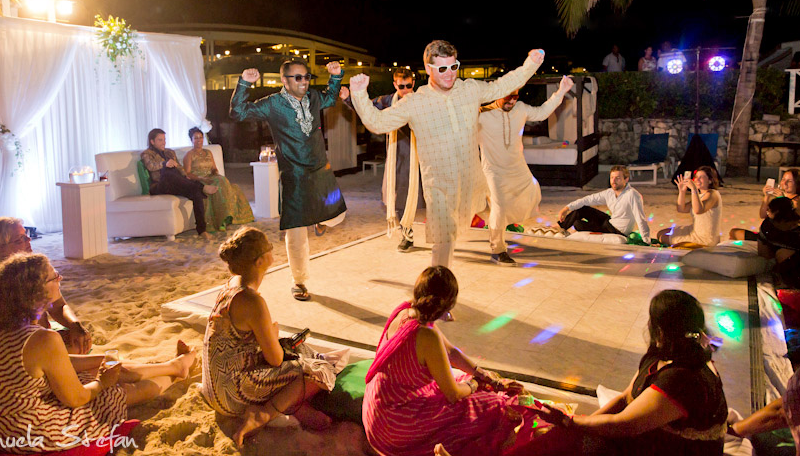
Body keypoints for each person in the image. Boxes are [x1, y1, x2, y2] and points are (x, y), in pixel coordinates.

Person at [0, 252, 197, 453]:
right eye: (55, 277)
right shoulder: (44, 338)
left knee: (102, 364)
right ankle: (175, 373)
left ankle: (174, 365)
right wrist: (103, 382)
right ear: (37, 290)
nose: (60, 279)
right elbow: (76, 398)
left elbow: (37, 366)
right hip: (30, 434)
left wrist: (99, 360)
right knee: (115, 392)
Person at [349, 41, 545, 267]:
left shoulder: (469, 89)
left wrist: (531, 63)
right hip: (440, 187)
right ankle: (436, 290)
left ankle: (497, 248)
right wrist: (359, 94)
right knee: (443, 244)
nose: (450, 74)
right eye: (442, 68)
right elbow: (377, 122)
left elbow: (502, 86)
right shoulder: (415, 102)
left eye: (454, 67)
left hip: (472, 178)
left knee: (500, 204)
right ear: (428, 69)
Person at [522, 289, 728, 456]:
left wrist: (570, 421)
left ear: (662, 331)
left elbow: (625, 425)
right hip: (651, 435)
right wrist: (579, 426)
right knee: (565, 441)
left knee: (588, 448)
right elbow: (625, 398)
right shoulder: (660, 356)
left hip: (679, 449)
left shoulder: (683, 378)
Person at [363, 266, 533, 456]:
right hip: (394, 426)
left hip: (376, 412)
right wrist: (475, 383)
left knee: (465, 379)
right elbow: (453, 394)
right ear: (448, 305)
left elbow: (450, 352)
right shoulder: (426, 335)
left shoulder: (405, 311)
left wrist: (480, 372)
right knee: (492, 406)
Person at [202, 227, 346, 446]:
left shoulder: (231, 286)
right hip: (231, 396)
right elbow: (275, 360)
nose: (273, 250)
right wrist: (272, 334)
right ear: (260, 261)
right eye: (269, 247)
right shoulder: (251, 300)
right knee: (318, 370)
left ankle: (291, 406)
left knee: (299, 350)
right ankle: (264, 414)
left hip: (214, 387)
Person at [230, 61, 347, 301]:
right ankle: (300, 282)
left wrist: (335, 77)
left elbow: (330, 98)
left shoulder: (314, 97)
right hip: (293, 176)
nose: (304, 82)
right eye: (297, 78)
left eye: (306, 77)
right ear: (284, 80)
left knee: (338, 214)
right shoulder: (273, 104)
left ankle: (321, 221)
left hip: (320, 171)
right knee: (295, 234)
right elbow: (238, 112)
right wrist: (244, 83)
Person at [0, 217, 91, 401]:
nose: (29, 241)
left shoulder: (30, 269)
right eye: (20, 239)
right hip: (13, 354)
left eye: (27, 236)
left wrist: (75, 325)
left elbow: (58, 305)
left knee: (81, 341)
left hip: (39, 337)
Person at [478, 76, 574, 263]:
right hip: (493, 170)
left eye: (515, 96)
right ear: (498, 94)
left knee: (533, 190)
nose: (512, 100)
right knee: (499, 205)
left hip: (517, 167)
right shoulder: (481, 114)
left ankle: (496, 220)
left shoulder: (520, 108)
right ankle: (497, 249)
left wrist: (561, 91)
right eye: (508, 97)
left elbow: (541, 112)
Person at [339, 67, 425, 252]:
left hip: (426, 154)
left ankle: (442, 235)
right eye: (401, 86)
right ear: (395, 84)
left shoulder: (422, 100)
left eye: (409, 86)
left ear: (414, 83)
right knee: (401, 196)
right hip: (401, 154)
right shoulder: (387, 101)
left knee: (435, 196)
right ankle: (407, 235)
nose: (405, 90)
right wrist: (348, 98)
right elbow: (366, 109)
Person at [141, 128, 215, 240]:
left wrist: (185, 176)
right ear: (152, 141)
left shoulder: (170, 152)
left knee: (195, 192)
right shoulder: (146, 154)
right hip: (159, 185)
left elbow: (180, 168)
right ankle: (202, 187)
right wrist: (165, 163)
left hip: (175, 184)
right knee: (168, 173)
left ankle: (202, 230)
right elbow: (150, 166)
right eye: (160, 140)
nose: (164, 142)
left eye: (164, 139)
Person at [183, 126, 254, 230]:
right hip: (199, 180)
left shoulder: (208, 152)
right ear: (191, 140)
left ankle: (228, 217)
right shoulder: (189, 155)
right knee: (218, 186)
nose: (199, 140)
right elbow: (188, 174)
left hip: (211, 177)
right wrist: (202, 178)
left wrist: (215, 174)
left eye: (201, 137)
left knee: (226, 183)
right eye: (196, 138)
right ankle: (221, 221)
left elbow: (214, 169)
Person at [556, 166, 650, 241]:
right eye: (612, 177)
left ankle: (563, 229)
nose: (613, 181)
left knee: (577, 224)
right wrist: (566, 208)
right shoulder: (609, 193)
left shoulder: (632, 195)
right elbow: (588, 199)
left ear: (626, 179)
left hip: (617, 231)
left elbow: (640, 218)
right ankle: (560, 228)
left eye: (617, 178)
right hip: (610, 222)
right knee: (582, 208)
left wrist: (646, 240)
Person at [658, 166, 722, 247]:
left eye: (701, 177)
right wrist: (682, 191)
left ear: (710, 180)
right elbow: (682, 209)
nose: (697, 180)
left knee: (663, 238)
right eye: (696, 177)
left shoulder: (713, 194)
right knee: (660, 233)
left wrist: (693, 190)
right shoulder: (700, 195)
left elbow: (698, 210)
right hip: (694, 230)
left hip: (705, 238)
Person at [729, 169, 800, 242]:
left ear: (797, 183)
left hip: (781, 238)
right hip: (768, 234)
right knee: (734, 232)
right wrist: (767, 196)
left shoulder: (796, 201)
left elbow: (787, 222)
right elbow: (763, 215)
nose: (784, 183)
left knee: (735, 234)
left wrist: (782, 199)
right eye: (783, 179)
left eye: (790, 181)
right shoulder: (780, 198)